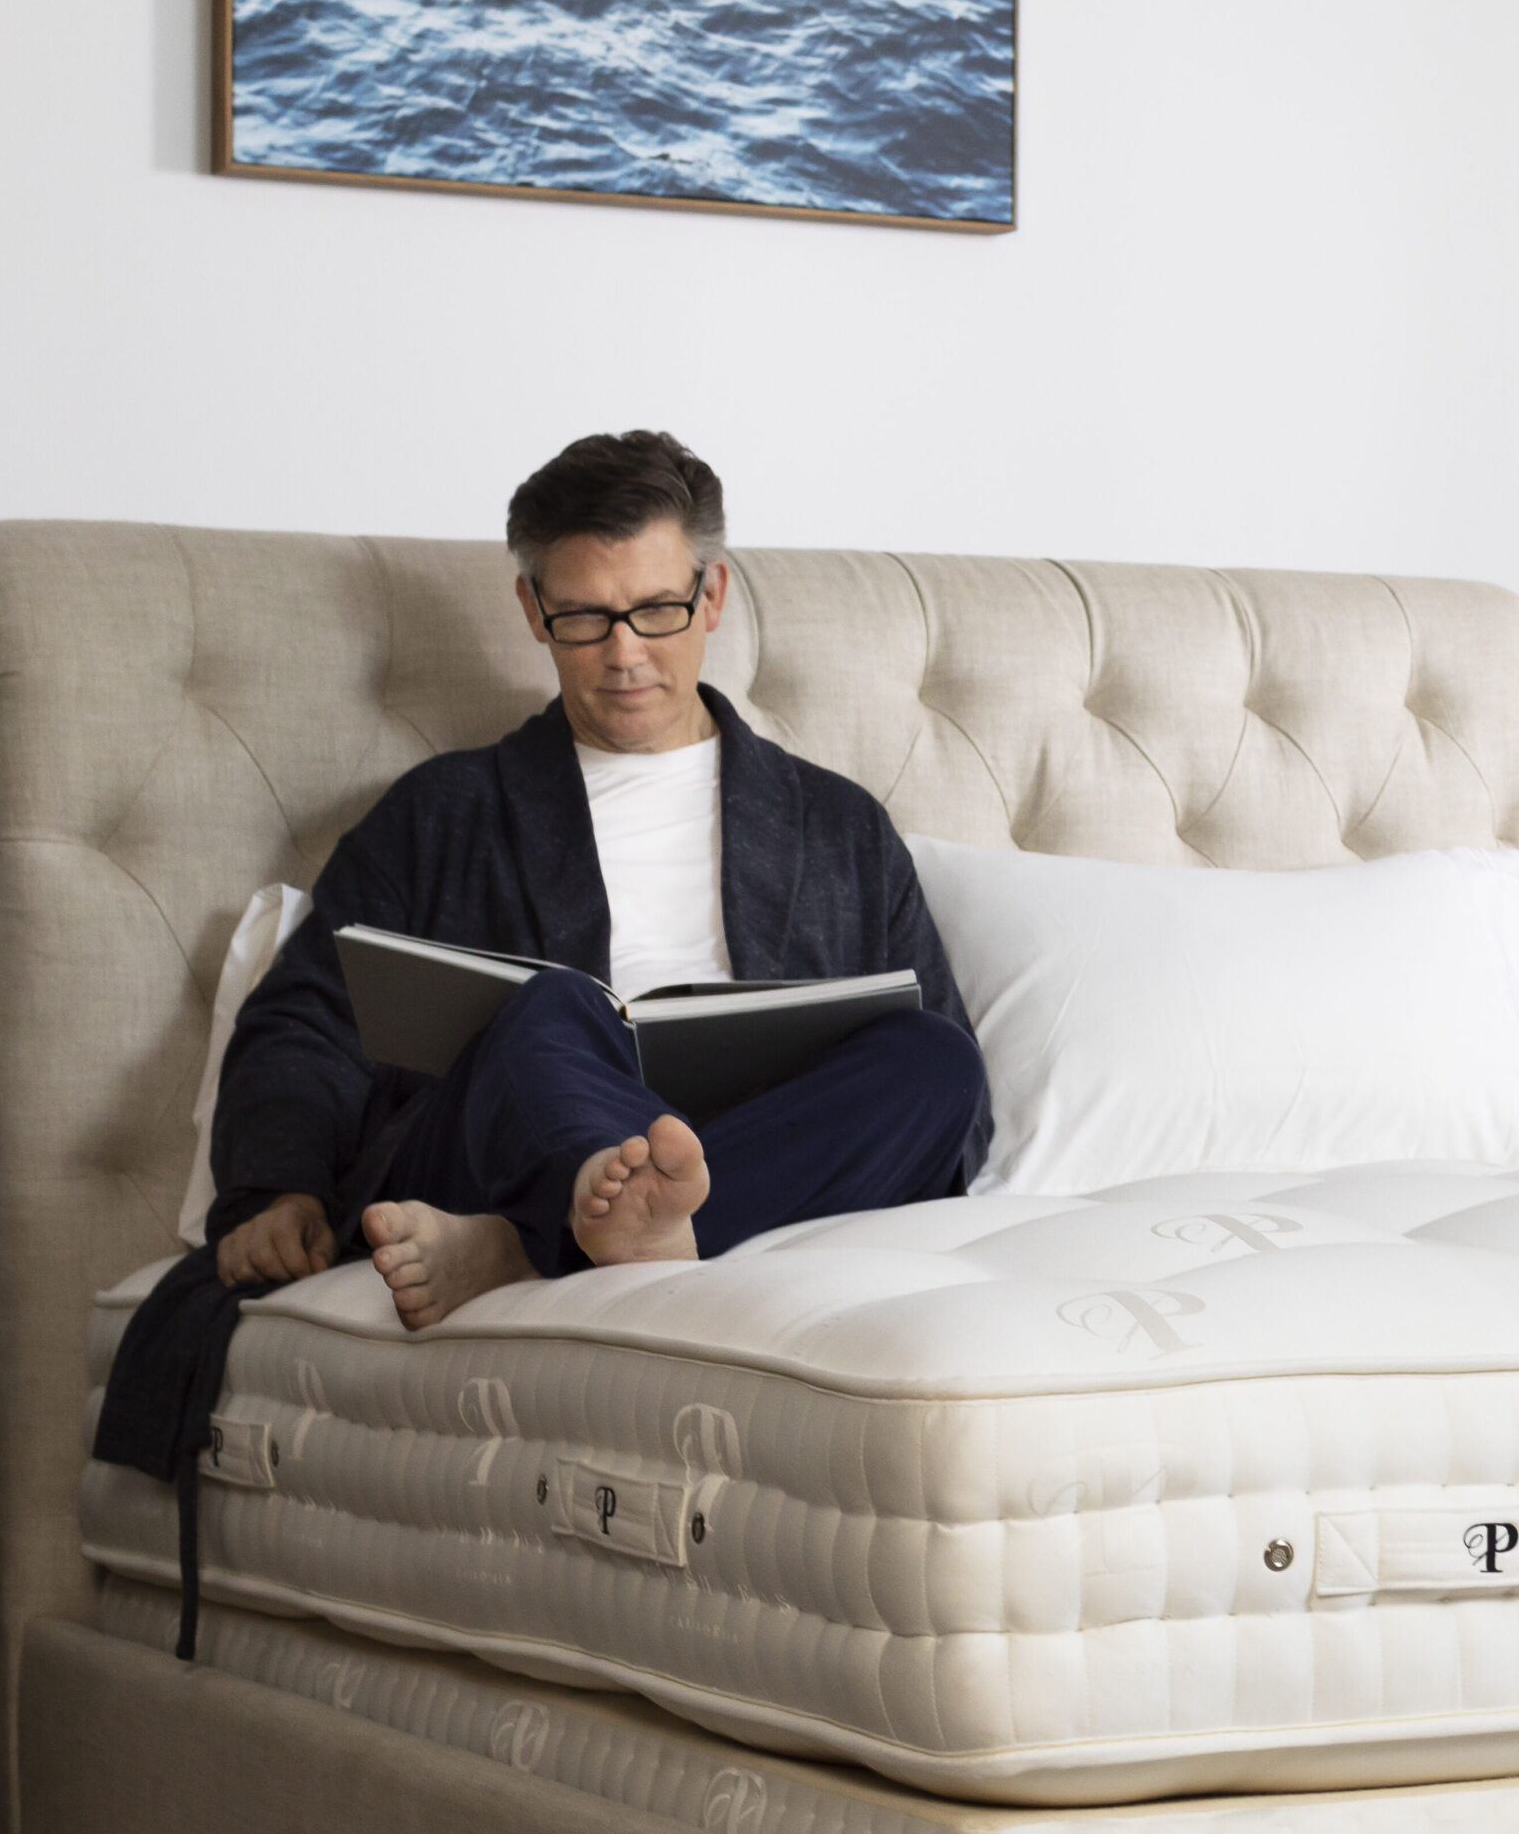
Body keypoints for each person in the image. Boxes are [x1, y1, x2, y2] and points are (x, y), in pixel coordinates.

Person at [207, 428, 990, 1328]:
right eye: (584, 617)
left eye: (656, 610)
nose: (623, 655)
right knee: (555, 1006)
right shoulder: (443, 811)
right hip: (511, 1139)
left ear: (714, 595)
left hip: (747, 1138)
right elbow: (309, 1012)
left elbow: (944, 1098)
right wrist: (279, 1189)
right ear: (534, 610)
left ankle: (539, 1244)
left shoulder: (837, 825)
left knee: (938, 1059)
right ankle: (590, 1203)